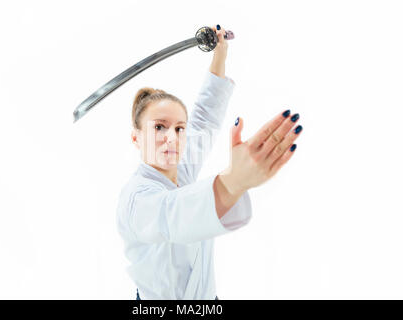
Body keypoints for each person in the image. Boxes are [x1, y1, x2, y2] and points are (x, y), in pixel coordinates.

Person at [116, 25, 303, 300]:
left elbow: (203, 117)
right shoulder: (136, 198)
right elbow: (173, 216)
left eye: (180, 128)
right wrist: (234, 182)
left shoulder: (181, 169)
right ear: (135, 138)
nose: (173, 138)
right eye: (159, 127)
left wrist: (220, 54)